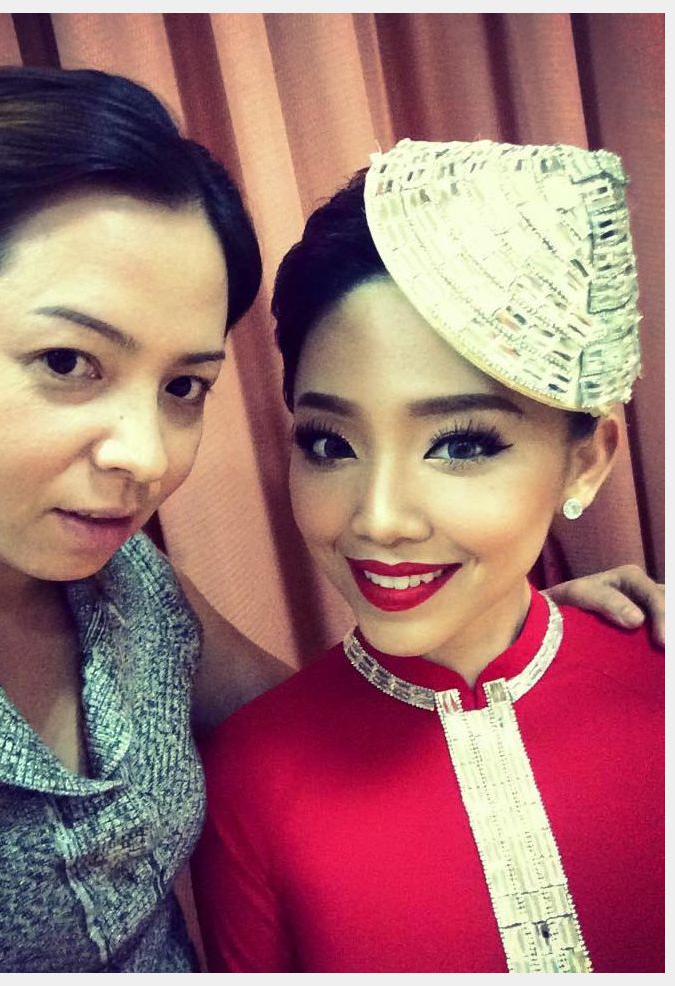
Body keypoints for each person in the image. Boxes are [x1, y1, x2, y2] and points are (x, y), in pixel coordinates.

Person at [0, 66, 662, 973]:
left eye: (184, 386)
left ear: (588, 458)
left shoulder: (130, 590)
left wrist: (524, 631)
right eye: (66, 360)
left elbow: (321, 724)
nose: (148, 457)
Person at [192, 140, 664, 973]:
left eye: (461, 444)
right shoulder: (251, 780)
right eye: (329, 442)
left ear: (586, 461)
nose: (379, 519)